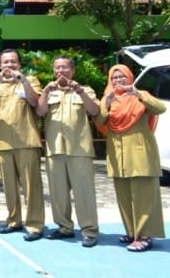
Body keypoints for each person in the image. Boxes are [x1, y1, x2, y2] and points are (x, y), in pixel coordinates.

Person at [95, 64, 166, 252]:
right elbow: (100, 122)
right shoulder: (108, 99)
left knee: (143, 197)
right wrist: (107, 103)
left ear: (130, 77)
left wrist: (139, 95)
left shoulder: (140, 95)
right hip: (118, 156)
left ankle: (144, 235)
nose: (118, 81)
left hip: (141, 154)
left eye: (122, 77)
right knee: (124, 197)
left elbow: (160, 108)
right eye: (114, 78)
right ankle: (132, 231)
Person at [0, 49, 45, 241]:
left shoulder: (30, 80)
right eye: (5, 62)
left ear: (19, 64)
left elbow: (36, 102)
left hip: (27, 141)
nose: (9, 65)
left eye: (13, 62)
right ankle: (14, 220)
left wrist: (23, 80)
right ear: (0, 65)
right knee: (9, 186)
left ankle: (34, 224)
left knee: (31, 186)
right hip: (3, 142)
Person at [36, 56, 100, 247]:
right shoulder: (48, 91)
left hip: (79, 149)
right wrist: (46, 92)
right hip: (55, 149)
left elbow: (95, 110)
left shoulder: (84, 90)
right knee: (58, 193)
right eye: (57, 68)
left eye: (65, 68)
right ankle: (64, 227)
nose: (61, 71)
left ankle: (89, 230)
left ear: (72, 70)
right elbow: (39, 112)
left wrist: (80, 92)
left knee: (84, 192)